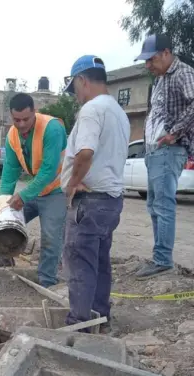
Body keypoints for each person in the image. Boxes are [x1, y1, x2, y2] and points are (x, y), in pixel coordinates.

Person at [134, 34, 194, 280]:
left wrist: (175, 131)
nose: (148, 65)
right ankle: (160, 257)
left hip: (169, 150)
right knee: (154, 205)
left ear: (166, 53)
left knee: (163, 205)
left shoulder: (181, 73)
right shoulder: (161, 79)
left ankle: (162, 260)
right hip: (156, 151)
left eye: (152, 59)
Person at [61, 55, 130, 328]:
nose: (76, 94)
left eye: (75, 87)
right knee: (100, 262)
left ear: (82, 80)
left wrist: (73, 182)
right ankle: (100, 317)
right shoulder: (119, 113)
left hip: (89, 201)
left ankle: (78, 324)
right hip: (111, 201)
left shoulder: (92, 110)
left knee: (79, 262)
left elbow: (86, 151)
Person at [0, 93, 67, 289]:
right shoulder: (12, 134)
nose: (20, 124)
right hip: (35, 189)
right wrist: (2, 202)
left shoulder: (51, 128)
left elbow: (49, 170)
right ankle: (4, 257)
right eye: (16, 119)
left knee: (51, 237)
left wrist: (25, 195)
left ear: (34, 112)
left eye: (25, 119)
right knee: (4, 222)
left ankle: (47, 281)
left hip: (56, 189)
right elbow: (10, 170)